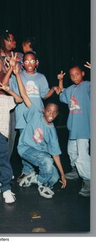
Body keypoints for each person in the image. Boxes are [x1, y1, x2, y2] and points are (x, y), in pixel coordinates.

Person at [2, 51, 60, 184]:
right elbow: (4, 84)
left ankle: (40, 167)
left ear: (37, 63)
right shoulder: (18, 75)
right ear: (22, 63)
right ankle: (27, 170)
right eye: (26, 61)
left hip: (37, 115)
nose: (29, 63)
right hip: (23, 114)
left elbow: (44, 95)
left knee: (38, 141)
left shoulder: (41, 77)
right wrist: (11, 68)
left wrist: (54, 88)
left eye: (32, 61)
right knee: (26, 143)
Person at [13, 64, 66, 198]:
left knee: (53, 178)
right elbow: (24, 94)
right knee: (47, 162)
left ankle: (34, 179)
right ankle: (41, 184)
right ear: (43, 110)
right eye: (48, 111)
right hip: (25, 148)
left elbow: (56, 155)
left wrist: (62, 175)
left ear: (57, 115)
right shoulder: (35, 113)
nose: (51, 114)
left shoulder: (52, 131)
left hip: (40, 153)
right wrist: (18, 74)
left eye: (54, 113)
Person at [58, 64, 90, 197]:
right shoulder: (70, 89)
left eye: (77, 74)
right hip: (73, 127)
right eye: (71, 75)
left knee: (82, 155)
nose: (74, 77)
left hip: (84, 128)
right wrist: (60, 80)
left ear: (82, 73)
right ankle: (76, 170)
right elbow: (61, 94)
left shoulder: (88, 85)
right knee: (71, 151)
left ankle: (89, 180)